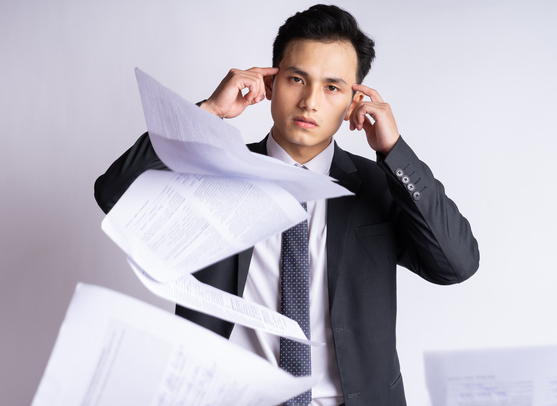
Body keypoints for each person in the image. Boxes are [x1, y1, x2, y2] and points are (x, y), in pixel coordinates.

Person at [95, 4, 479, 406]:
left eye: (332, 87)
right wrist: (208, 115)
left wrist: (394, 151)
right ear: (272, 82)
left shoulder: (379, 185)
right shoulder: (213, 171)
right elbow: (114, 195)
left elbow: (456, 264)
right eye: (297, 79)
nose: (310, 101)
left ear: (354, 102)